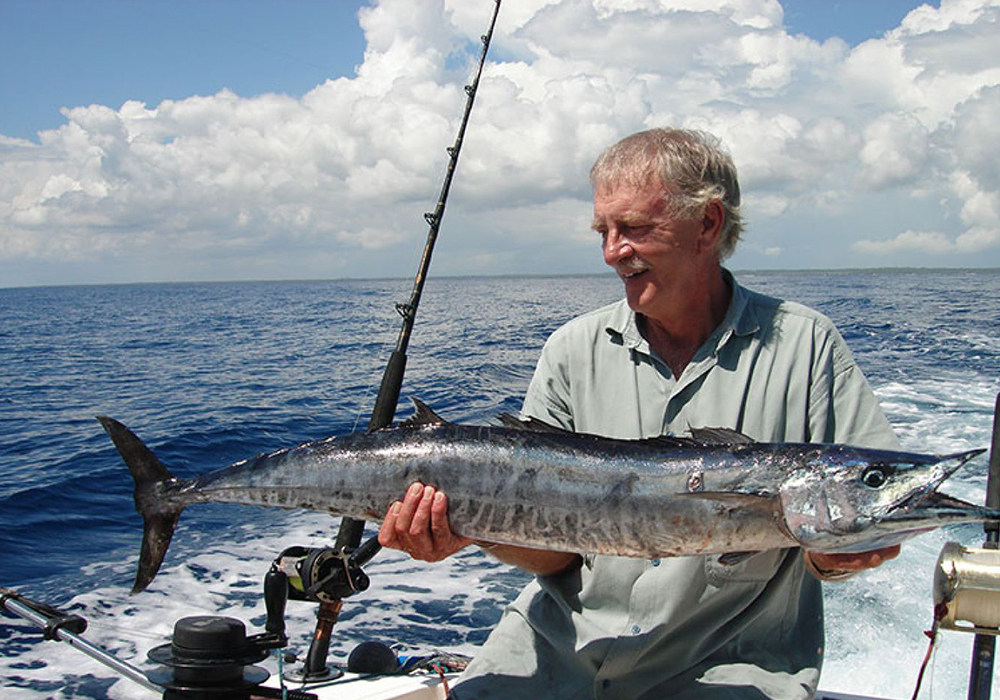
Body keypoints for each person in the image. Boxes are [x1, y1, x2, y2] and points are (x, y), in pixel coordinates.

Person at [378, 127, 901, 699]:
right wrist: (475, 530)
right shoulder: (571, 350)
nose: (611, 252)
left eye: (634, 229)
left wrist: (836, 558)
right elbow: (554, 557)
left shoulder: (808, 346)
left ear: (707, 224)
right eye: (604, 231)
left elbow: (849, 528)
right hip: (558, 654)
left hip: (725, 672)